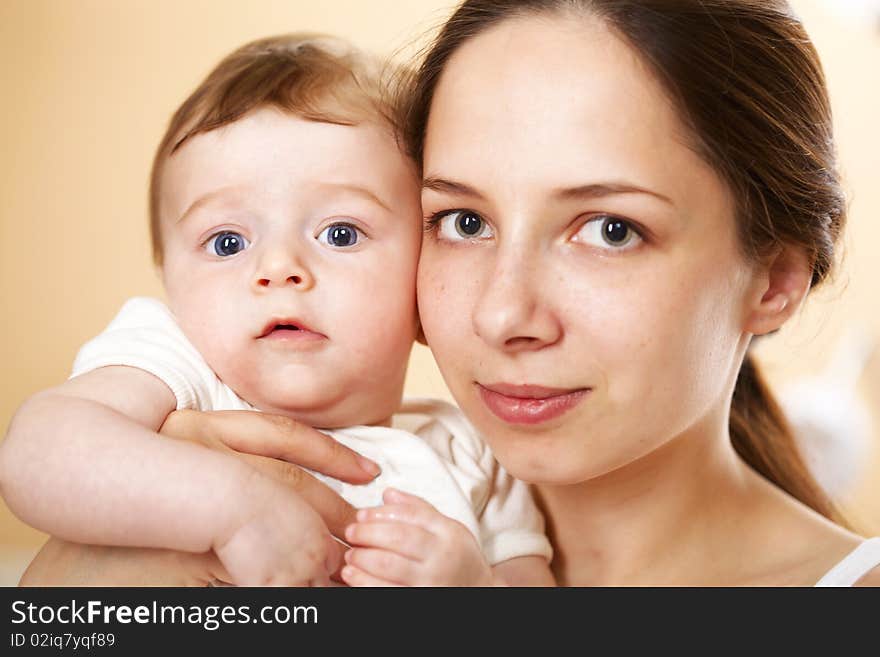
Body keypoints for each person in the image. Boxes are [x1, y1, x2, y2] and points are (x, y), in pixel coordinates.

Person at [18, 0, 880, 586]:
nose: (501, 313)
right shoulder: (173, 434)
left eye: (610, 228)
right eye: (463, 221)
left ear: (773, 279)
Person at [0, 33, 553, 587]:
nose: (279, 268)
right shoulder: (179, 376)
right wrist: (233, 508)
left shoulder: (469, 453)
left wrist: (475, 588)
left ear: (423, 274)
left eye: (339, 233)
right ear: (168, 276)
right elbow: (36, 455)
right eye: (227, 243)